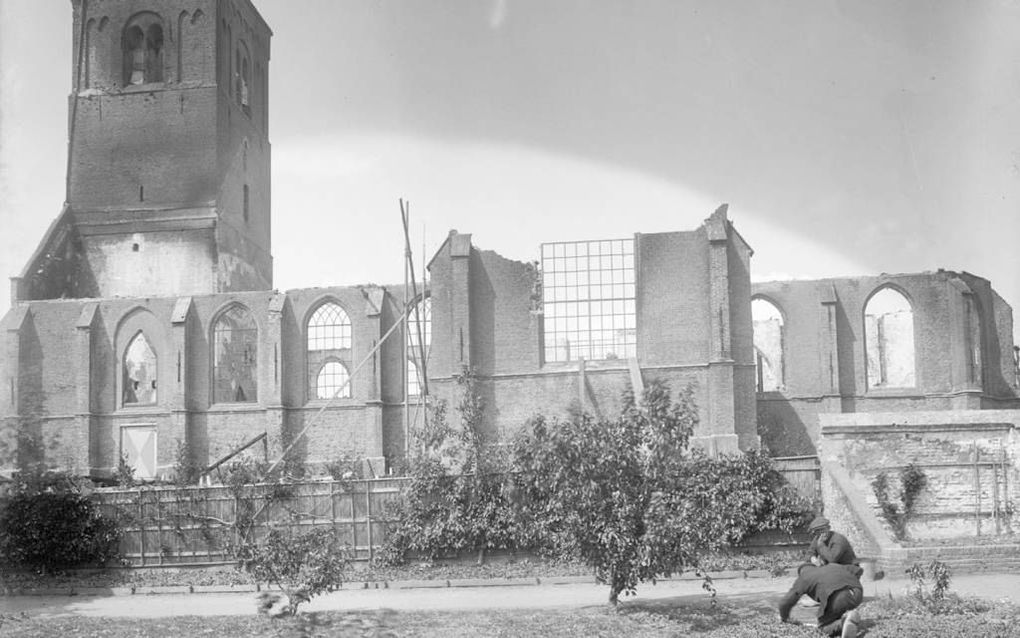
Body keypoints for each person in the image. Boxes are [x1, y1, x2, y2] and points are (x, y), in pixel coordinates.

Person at [778, 558, 864, 637]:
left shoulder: (804, 577)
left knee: (823, 628)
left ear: (801, 573)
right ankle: (847, 618)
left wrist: (784, 617)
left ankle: (843, 622)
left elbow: (786, 601)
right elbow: (858, 570)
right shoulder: (832, 566)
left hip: (840, 597)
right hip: (857, 592)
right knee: (836, 607)